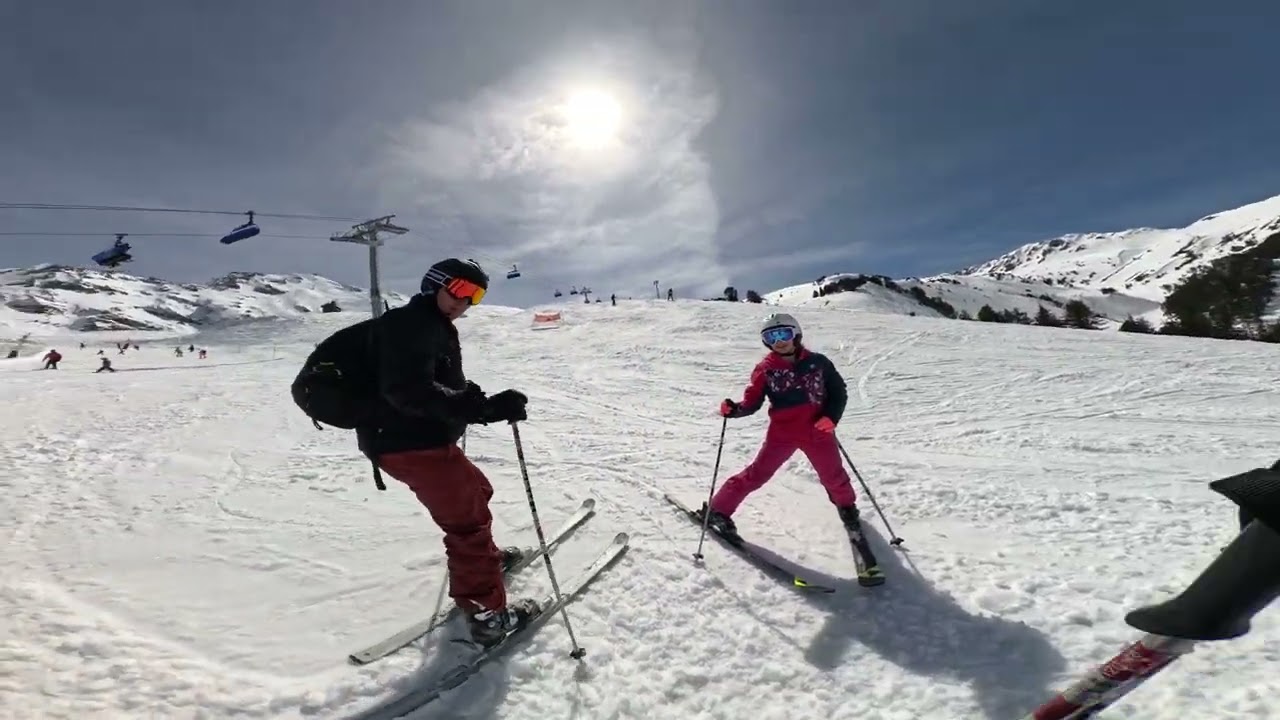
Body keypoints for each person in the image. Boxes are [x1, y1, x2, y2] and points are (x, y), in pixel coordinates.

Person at [296, 257, 540, 647]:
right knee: (468, 523)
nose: (465, 302)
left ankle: (483, 565)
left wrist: (481, 402)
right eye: (460, 289)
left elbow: (431, 382)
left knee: (477, 491)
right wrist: (480, 410)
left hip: (414, 440)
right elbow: (408, 391)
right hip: (411, 445)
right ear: (434, 284)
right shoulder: (413, 325)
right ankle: (487, 616)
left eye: (475, 296)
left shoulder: (427, 325)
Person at [700, 312, 881, 577]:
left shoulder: (818, 363)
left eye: (783, 334)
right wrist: (734, 409)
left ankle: (848, 512)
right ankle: (717, 510)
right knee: (757, 474)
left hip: (818, 431)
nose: (779, 341)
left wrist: (831, 417)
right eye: (771, 337)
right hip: (782, 434)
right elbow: (752, 403)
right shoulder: (765, 369)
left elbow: (838, 392)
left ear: (795, 334)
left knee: (834, 477)